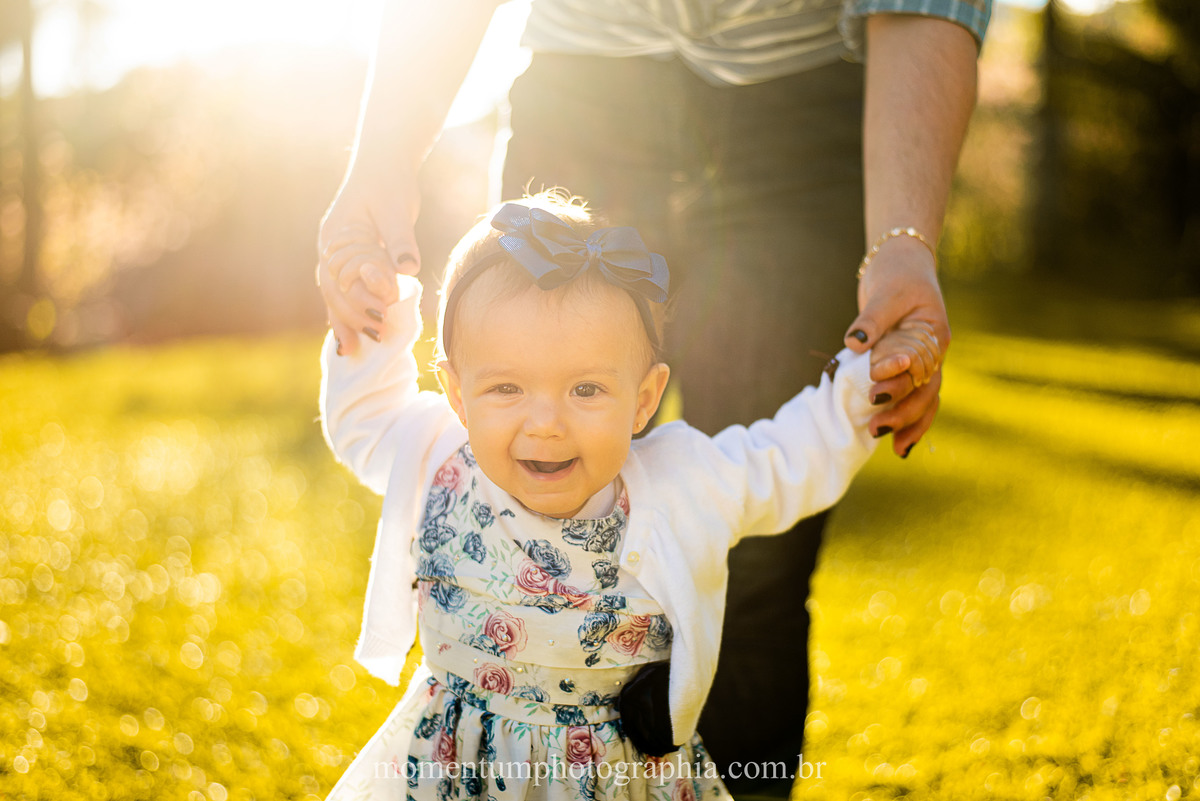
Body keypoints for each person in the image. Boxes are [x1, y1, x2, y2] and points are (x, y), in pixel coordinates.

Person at [318, 2, 986, 795]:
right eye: (505, 386)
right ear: (455, 388)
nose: (545, 420)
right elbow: (363, 417)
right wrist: (378, 306)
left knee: (763, 586)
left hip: (797, 107)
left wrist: (867, 382)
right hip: (459, 774)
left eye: (588, 388)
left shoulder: (682, 480)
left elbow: (787, 457)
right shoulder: (438, 454)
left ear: (644, 399)